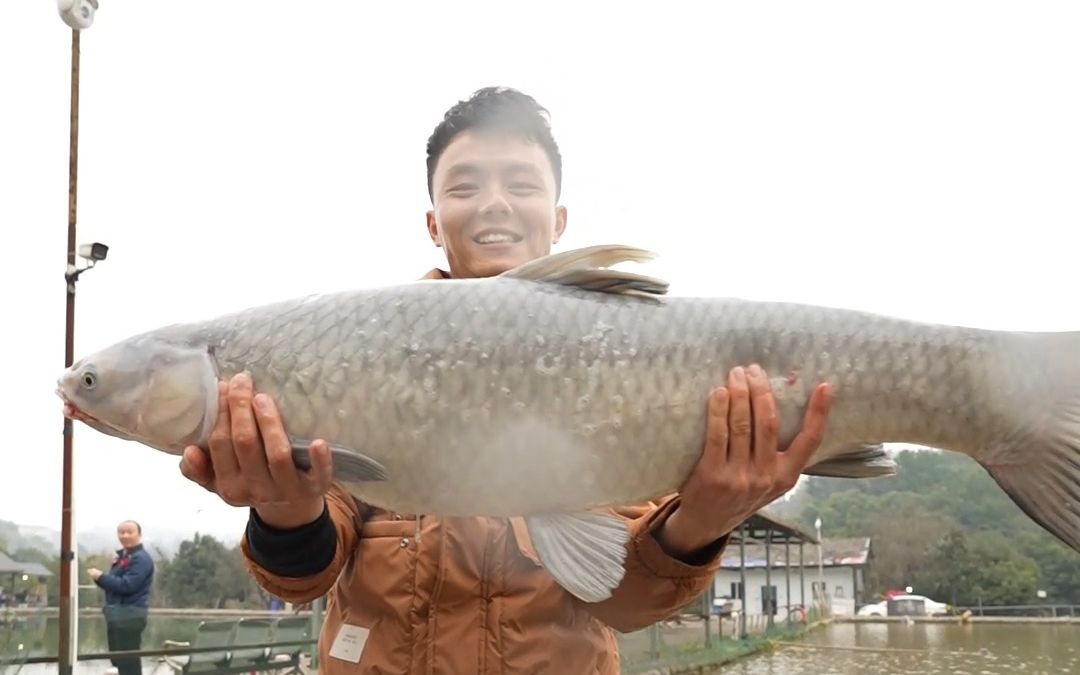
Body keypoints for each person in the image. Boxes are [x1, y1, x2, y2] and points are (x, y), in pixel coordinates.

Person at [178, 86, 833, 674]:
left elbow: (627, 600)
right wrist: (283, 506)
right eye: (463, 187)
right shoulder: (356, 360)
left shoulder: (629, 364)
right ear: (433, 222)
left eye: (521, 184)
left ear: (560, 220)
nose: (494, 204)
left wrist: (705, 517)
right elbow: (303, 578)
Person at [88, 519, 154, 675]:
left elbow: (127, 586)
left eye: (129, 532)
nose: (125, 535)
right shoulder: (123, 558)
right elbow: (113, 588)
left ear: (139, 535)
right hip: (117, 615)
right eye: (121, 532)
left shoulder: (140, 559)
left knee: (128, 660)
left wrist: (101, 577)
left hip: (130, 615)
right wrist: (100, 579)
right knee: (118, 659)